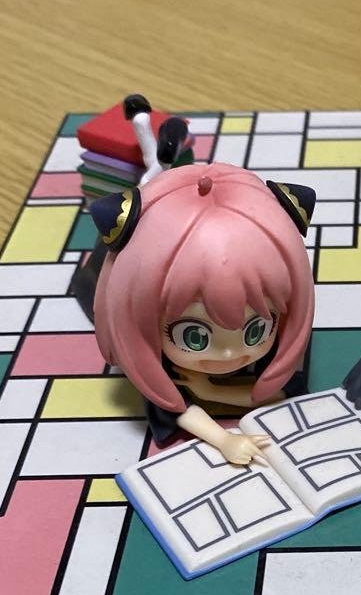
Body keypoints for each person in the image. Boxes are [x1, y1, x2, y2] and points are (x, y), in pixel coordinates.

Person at [90, 162, 316, 465]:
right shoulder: (159, 362)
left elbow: (282, 391)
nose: (229, 353)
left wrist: (210, 392)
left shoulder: (277, 349)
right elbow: (172, 406)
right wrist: (223, 440)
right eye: (193, 336)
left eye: (256, 330)